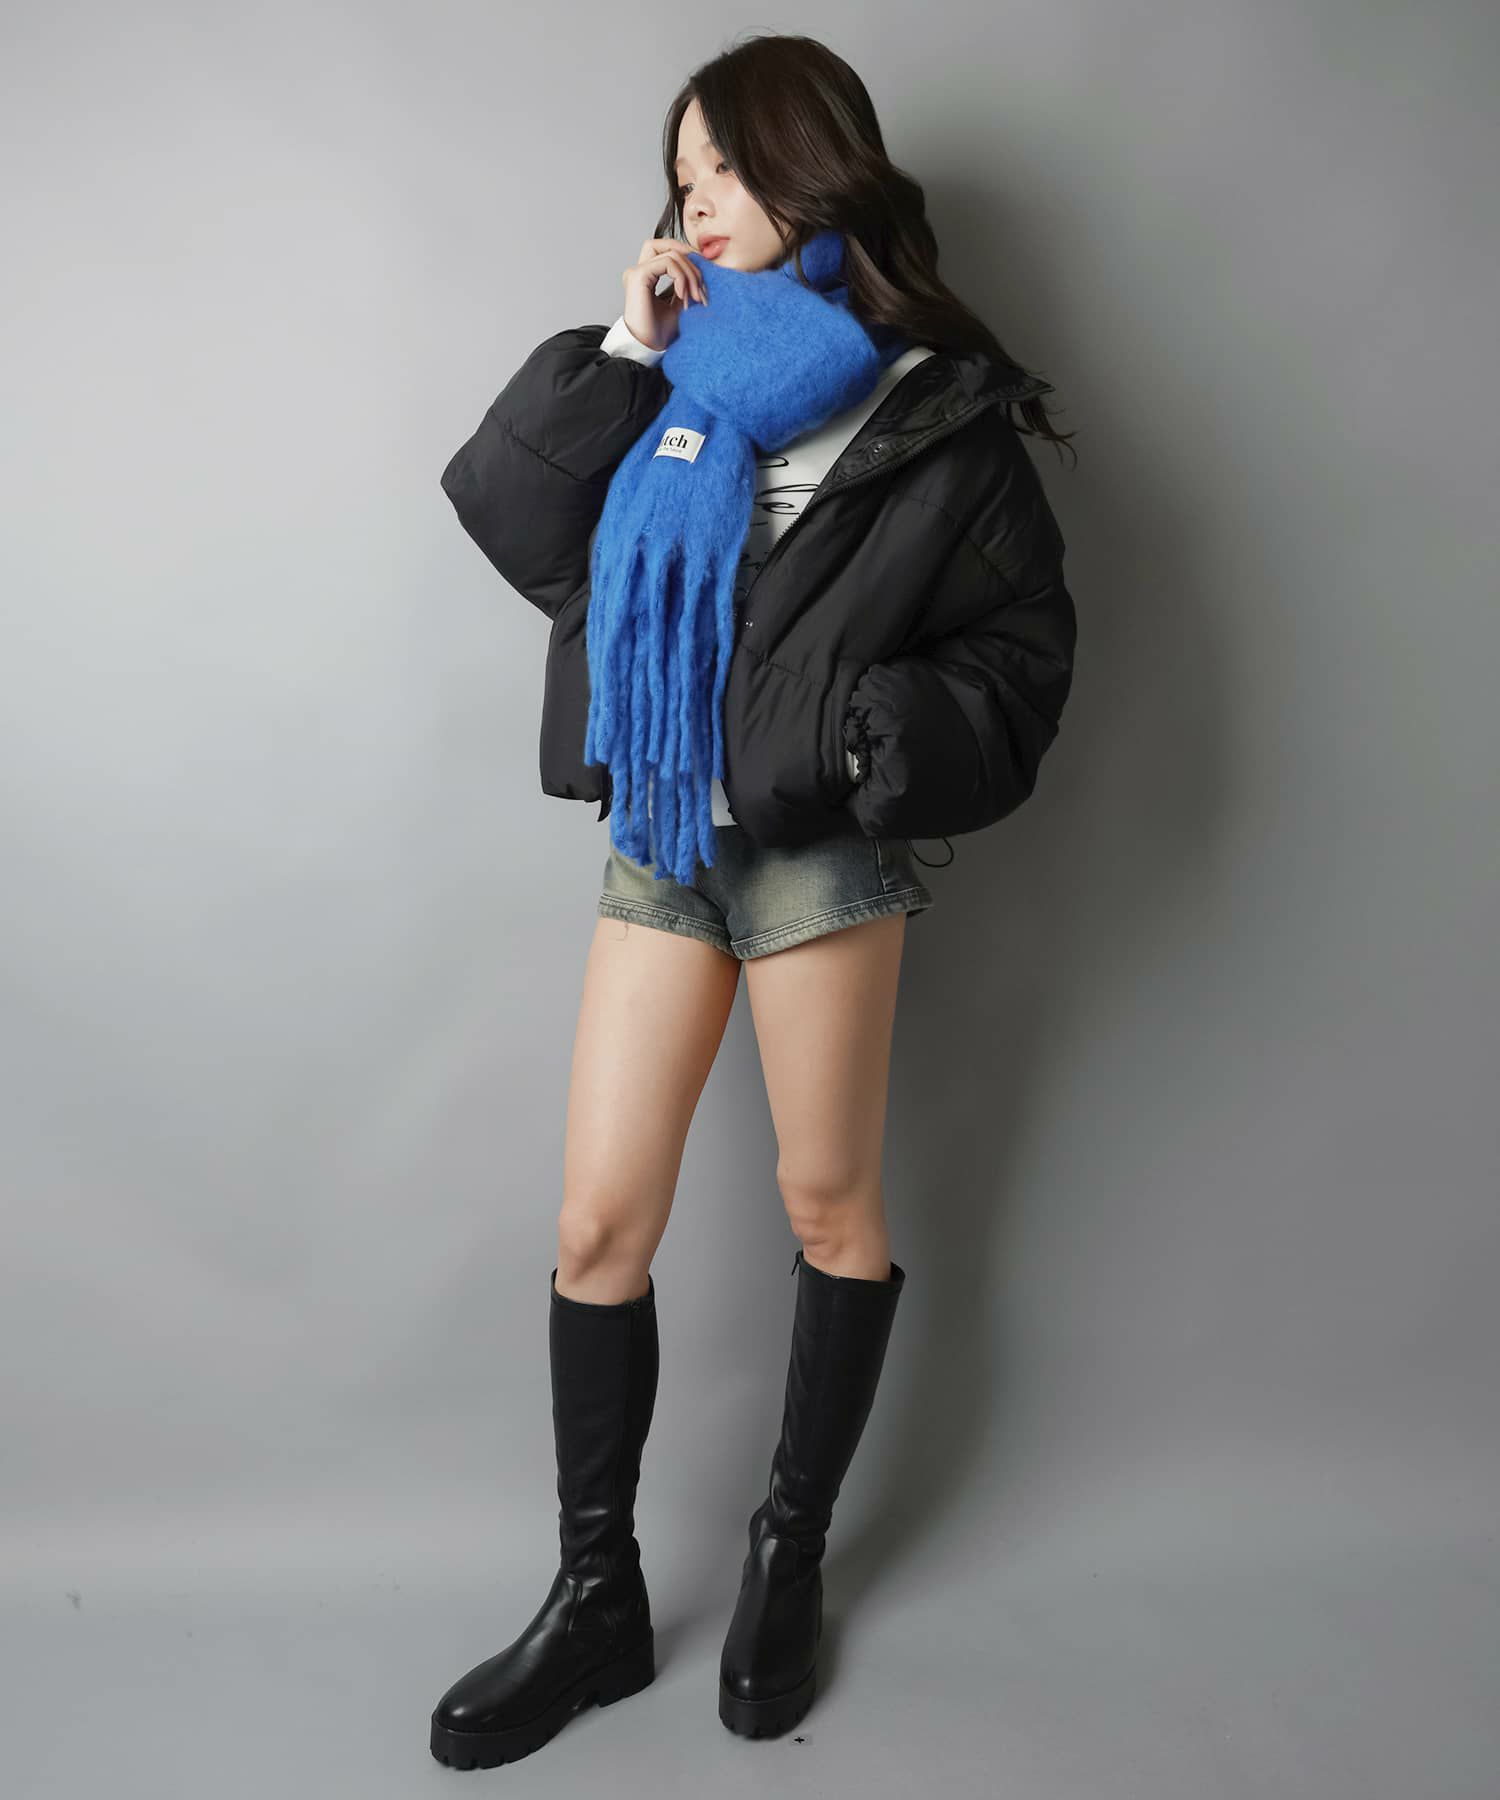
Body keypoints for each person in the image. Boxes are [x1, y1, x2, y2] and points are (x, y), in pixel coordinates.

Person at [430, 31, 1077, 1768]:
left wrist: (858, 737)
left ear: (810, 163)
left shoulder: (933, 410)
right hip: (664, 833)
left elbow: (1020, 660)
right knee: (597, 1229)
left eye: (722, 166)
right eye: (683, 174)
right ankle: (596, 1600)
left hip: (813, 850)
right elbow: (511, 517)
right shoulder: (673, 381)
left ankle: (790, 1550)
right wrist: (628, 349)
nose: (696, 201)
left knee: (825, 1201)